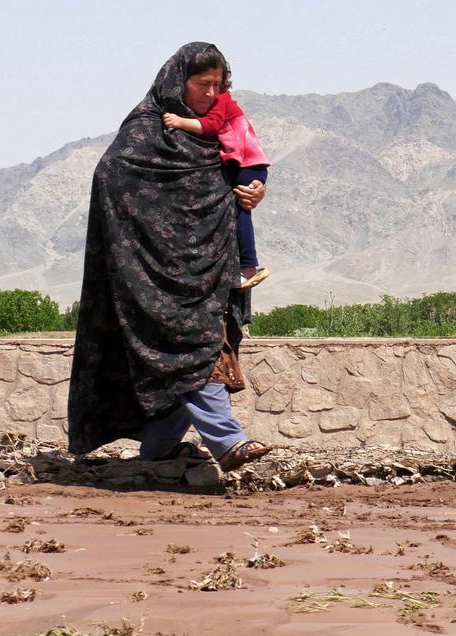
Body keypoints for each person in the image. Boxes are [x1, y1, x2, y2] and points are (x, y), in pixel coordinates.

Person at [67, 42, 271, 473]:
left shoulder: (217, 125)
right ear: (179, 82)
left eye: (219, 85)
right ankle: (229, 441)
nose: (211, 94)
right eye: (202, 85)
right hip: (152, 276)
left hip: (209, 268)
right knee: (192, 353)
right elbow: (111, 177)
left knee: (194, 358)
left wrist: (254, 189)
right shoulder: (145, 129)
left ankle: (157, 450)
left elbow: (241, 165)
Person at [162, 88, 272, 290]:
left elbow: (211, 126)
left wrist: (179, 122)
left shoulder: (220, 100)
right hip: (246, 165)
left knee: (239, 210)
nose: (208, 91)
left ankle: (248, 267)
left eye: (214, 83)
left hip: (246, 165)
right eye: (204, 84)